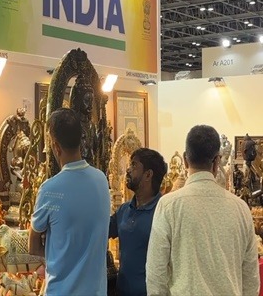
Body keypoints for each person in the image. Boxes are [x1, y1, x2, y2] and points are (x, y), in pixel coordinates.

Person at [146, 125, 260, 296]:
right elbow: (251, 279)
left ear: (185, 159)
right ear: (217, 161)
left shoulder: (169, 205)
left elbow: (156, 276)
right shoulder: (240, 208)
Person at [29, 108, 110, 296]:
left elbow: (33, 246)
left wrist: (60, 252)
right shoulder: (101, 180)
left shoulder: (50, 189)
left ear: (56, 147)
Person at [109, 148, 167, 296]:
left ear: (148, 175)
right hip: (121, 291)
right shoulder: (124, 210)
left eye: (134, 165)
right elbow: (100, 231)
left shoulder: (164, 211)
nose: (128, 170)